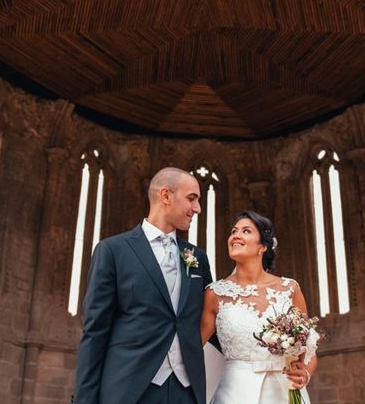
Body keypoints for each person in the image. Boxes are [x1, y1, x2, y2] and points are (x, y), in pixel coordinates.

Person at [74, 167, 214, 404]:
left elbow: (212, 318)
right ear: (166, 195)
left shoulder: (197, 258)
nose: (198, 208)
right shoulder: (113, 251)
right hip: (129, 388)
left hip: (187, 391)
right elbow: (95, 331)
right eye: (192, 199)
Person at [200, 211, 318, 404]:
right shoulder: (214, 294)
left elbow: (309, 350)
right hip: (234, 394)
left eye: (246, 231)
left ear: (262, 246)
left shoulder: (290, 289)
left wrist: (304, 373)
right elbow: (193, 349)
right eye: (233, 231)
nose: (235, 236)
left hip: (285, 392)